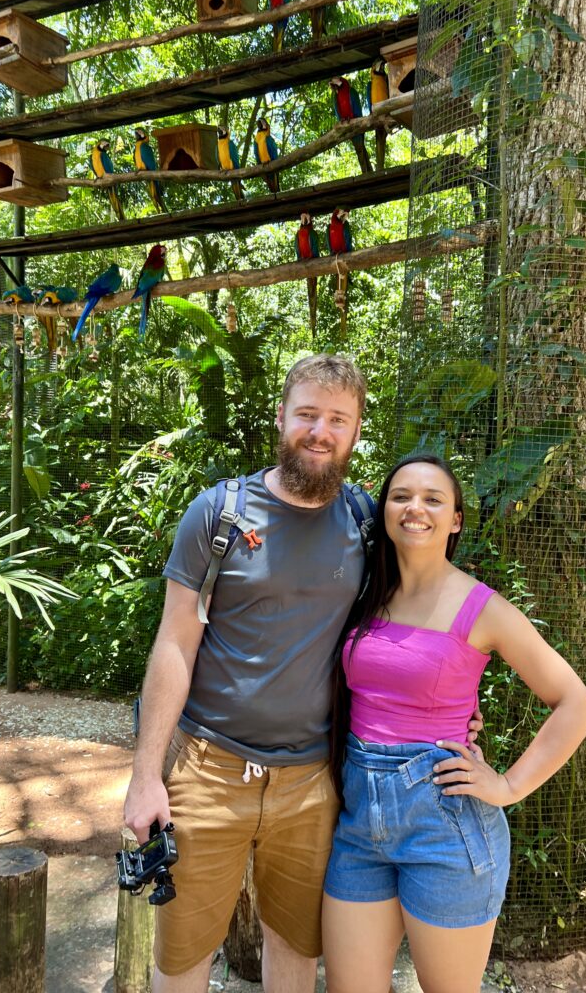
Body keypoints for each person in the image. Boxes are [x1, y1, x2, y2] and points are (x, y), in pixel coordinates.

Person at [124, 355, 483, 993]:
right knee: (180, 956)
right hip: (208, 771)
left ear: (355, 432)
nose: (321, 431)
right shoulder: (219, 514)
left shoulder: (367, 523)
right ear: (283, 419)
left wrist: (454, 710)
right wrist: (145, 776)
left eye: (337, 419)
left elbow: (413, 622)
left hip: (315, 781)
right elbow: (174, 644)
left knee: (296, 948)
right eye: (308, 414)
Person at [322, 454, 586, 993]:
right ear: (384, 511)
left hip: (445, 826)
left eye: (433, 499)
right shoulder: (363, 592)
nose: (414, 508)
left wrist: (509, 785)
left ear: (455, 520)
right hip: (359, 822)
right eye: (400, 496)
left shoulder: (482, 607)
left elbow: (576, 704)